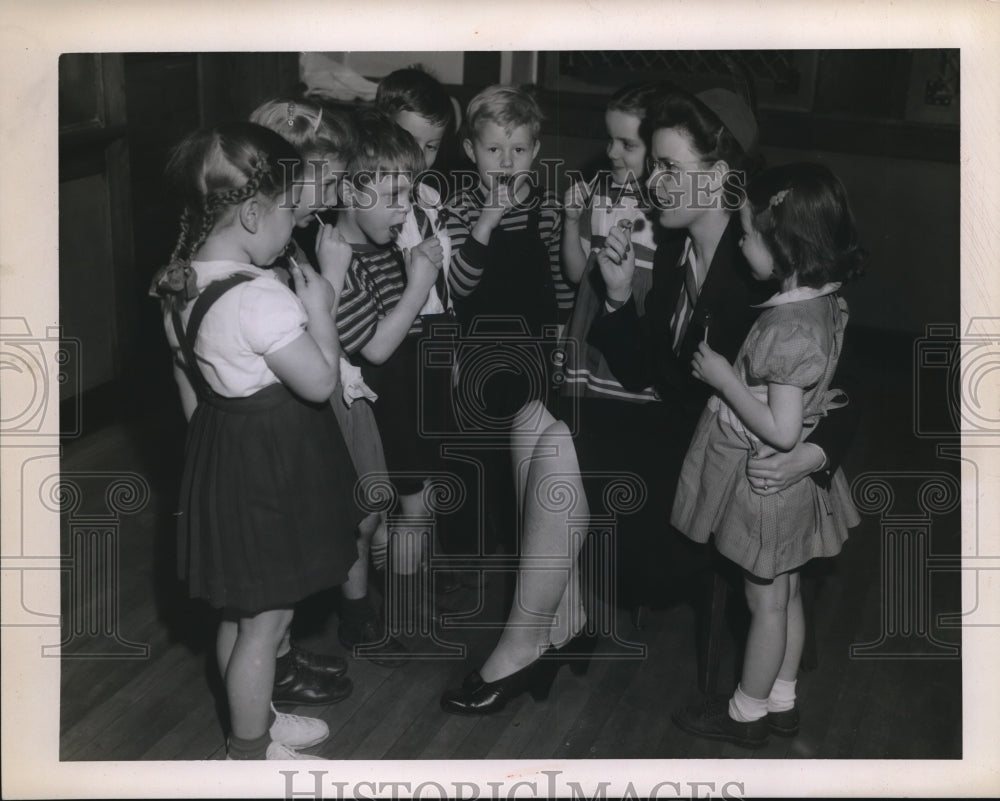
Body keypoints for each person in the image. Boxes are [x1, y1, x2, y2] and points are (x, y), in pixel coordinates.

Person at [440, 87, 860, 716]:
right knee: (532, 416)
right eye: (654, 164)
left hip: (722, 468)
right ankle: (560, 620)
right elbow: (648, 374)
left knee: (554, 443)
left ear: (718, 177)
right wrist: (615, 299)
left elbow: (846, 385)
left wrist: (815, 455)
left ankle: (525, 644)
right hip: (673, 426)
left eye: (668, 167)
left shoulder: (764, 263)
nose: (652, 181)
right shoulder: (674, 248)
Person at [150, 121, 362, 758]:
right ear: (251, 214)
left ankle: (256, 721)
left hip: (227, 459)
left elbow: (188, 383)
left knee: (243, 613)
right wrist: (321, 308)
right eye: (289, 211)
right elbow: (319, 382)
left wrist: (214, 458)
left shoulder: (180, 282)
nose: (294, 226)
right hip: (272, 469)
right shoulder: (261, 300)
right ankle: (248, 754)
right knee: (266, 624)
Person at [670, 162, 865, 748]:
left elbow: (781, 431)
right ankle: (781, 699)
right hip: (793, 489)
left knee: (765, 604)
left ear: (785, 247)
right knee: (787, 593)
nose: (740, 242)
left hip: (765, 483)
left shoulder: (787, 328)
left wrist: (725, 379)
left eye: (748, 234)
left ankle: (745, 713)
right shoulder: (824, 302)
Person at [250, 97, 407, 669]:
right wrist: (335, 278)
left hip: (333, 394)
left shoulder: (296, 235)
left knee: (358, 512)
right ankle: (281, 655)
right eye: (333, 180)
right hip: (300, 405)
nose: (337, 193)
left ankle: (320, 632)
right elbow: (314, 341)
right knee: (298, 539)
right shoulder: (266, 253)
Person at [333, 107, 445, 636]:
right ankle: (364, 615)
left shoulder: (385, 245)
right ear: (349, 192)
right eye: (394, 196)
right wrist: (420, 282)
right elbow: (376, 349)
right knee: (371, 517)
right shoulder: (338, 261)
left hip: (403, 398)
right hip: (370, 410)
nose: (405, 208)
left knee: (411, 506)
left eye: (410, 193)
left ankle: (400, 604)